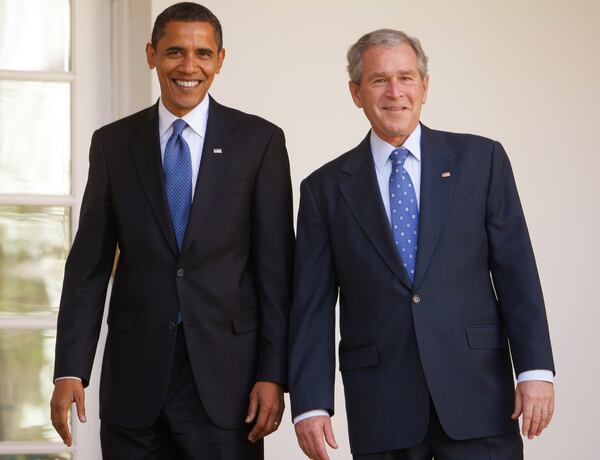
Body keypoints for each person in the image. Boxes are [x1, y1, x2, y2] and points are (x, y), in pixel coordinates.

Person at [289, 29, 555, 460]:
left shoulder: (481, 161)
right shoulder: (324, 189)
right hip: (381, 405)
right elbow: (312, 306)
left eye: (406, 78)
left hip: (479, 397)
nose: (395, 92)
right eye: (379, 80)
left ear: (425, 87)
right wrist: (310, 404)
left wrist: (535, 369)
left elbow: (517, 272)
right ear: (356, 93)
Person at [50, 3, 294, 459]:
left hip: (229, 385)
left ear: (220, 60)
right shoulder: (114, 144)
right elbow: (89, 266)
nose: (188, 66)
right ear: (151, 55)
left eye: (203, 53)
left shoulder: (259, 142)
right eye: (175, 51)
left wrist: (274, 373)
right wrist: (69, 370)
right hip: (134, 384)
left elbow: (276, 271)